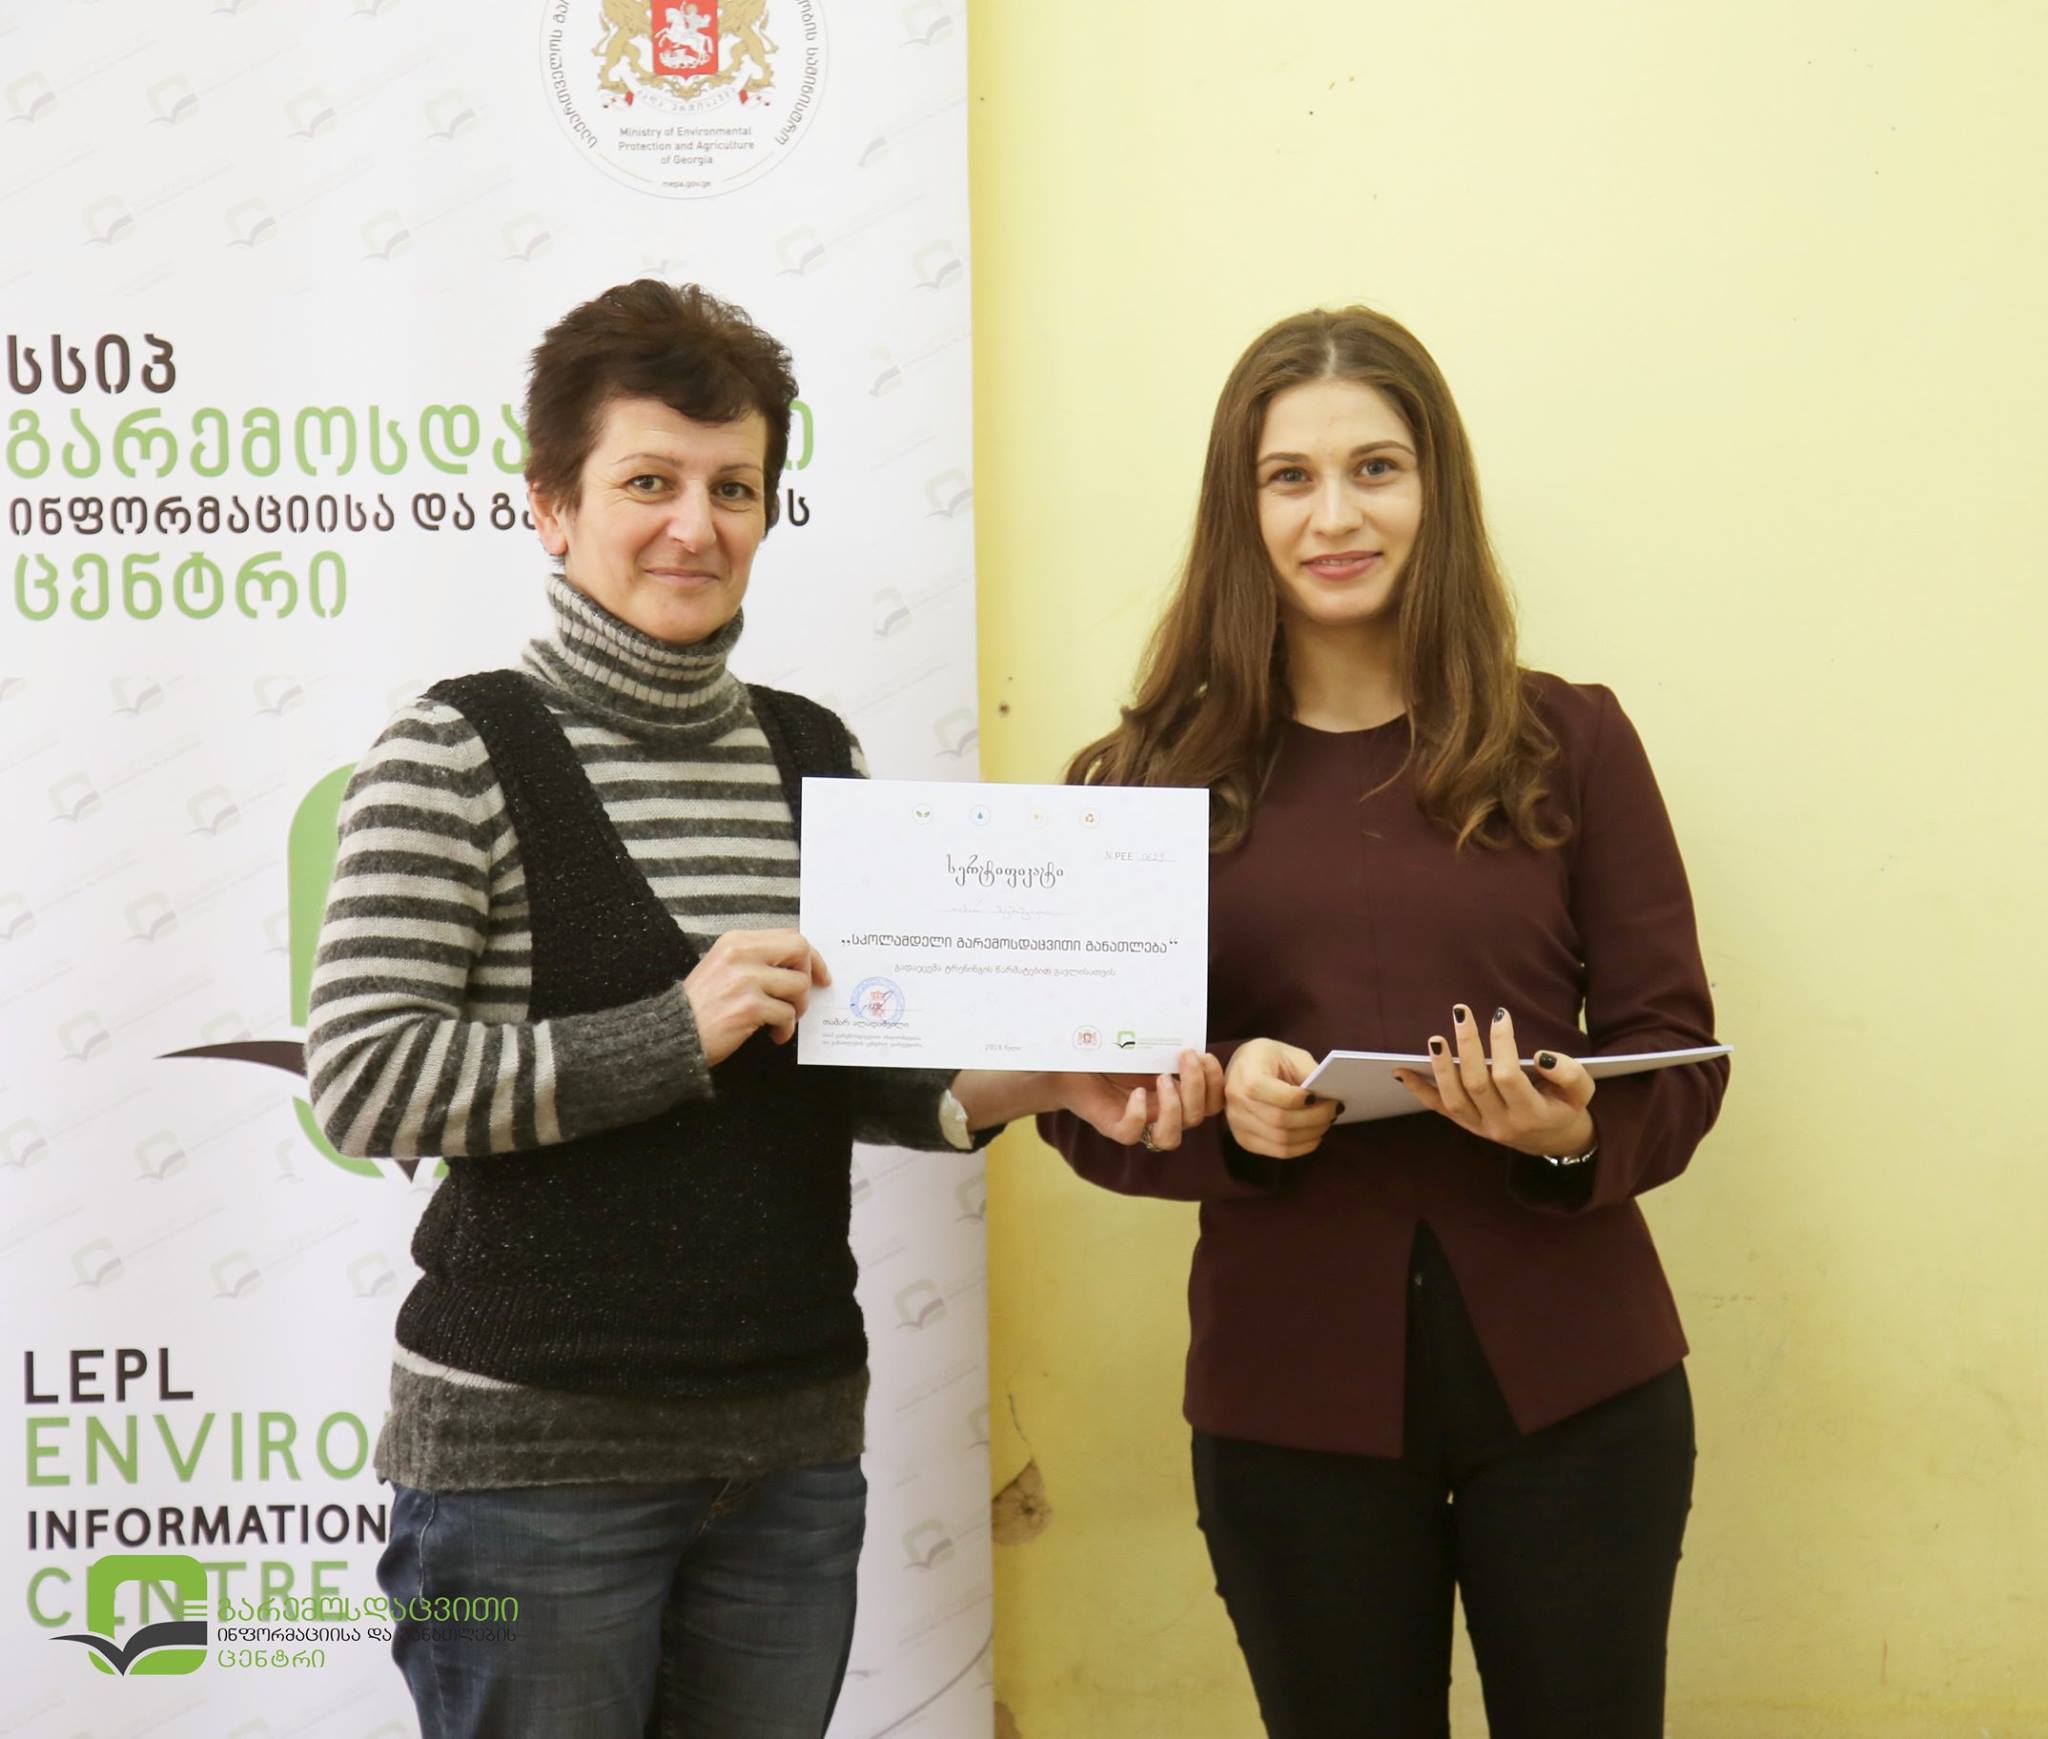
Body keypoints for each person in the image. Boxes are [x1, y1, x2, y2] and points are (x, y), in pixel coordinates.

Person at [304, 278, 1212, 1739]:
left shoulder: (812, 754)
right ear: (550, 506)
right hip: (533, 1470)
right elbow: (365, 1083)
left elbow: (848, 1065)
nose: (697, 524)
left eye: (734, 487)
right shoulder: (454, 751)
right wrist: (674, 1031)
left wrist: (1041, 1080)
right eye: (648, 482)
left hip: (790, 1454)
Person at [1040, 306, 1730, 1739]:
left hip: (1580, 1386)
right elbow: (1079, 1103)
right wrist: (1235, 1114)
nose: (1335, 515)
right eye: (1289, 477)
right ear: (1240, 510)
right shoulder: (1141, 782)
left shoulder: (1575, 740)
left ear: (1437, 490)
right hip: (1288, 1400)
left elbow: (1678, 1051)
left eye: (1376, 468)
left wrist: (1569, 1132)